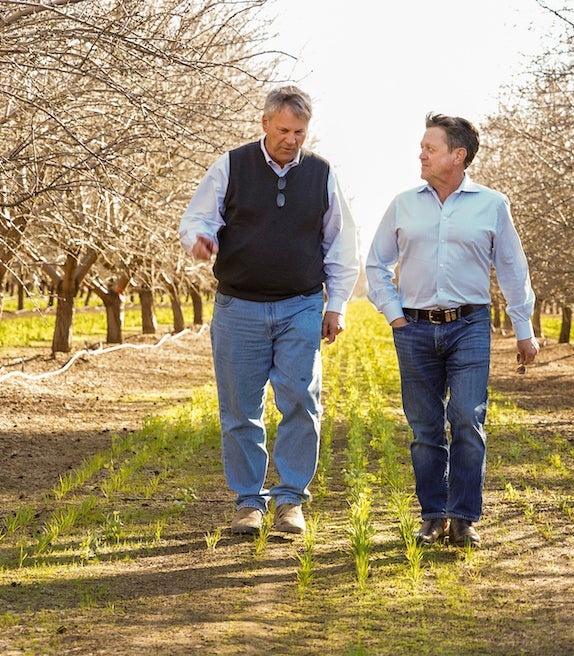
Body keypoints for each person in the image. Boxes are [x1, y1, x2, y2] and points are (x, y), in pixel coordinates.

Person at [179, 86, 360, 536]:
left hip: (300, 304)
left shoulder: (321, 173)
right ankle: (248, 503)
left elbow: (341, 243)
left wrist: (335, 305)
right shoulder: (232, 165)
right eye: (283, 130)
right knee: (240, 409)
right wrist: (199, 240)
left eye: (299, 132)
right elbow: (196, 219)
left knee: (302, 401)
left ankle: (291, 499)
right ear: (264, 124)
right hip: (238, 306)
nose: (291, 140)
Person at [365, 113, 539, 548]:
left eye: (430, 147)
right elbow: (376, 264)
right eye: (422, 146)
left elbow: (513, 269)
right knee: (425, 427)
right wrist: (395, 314)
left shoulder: (492, 205)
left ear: (457, 156)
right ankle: (432, 514)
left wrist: (524, 329)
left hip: (470, 324)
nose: (421, 154)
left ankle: (463, 516)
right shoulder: (403, 204)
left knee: (466, 418)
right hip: (415, 328)